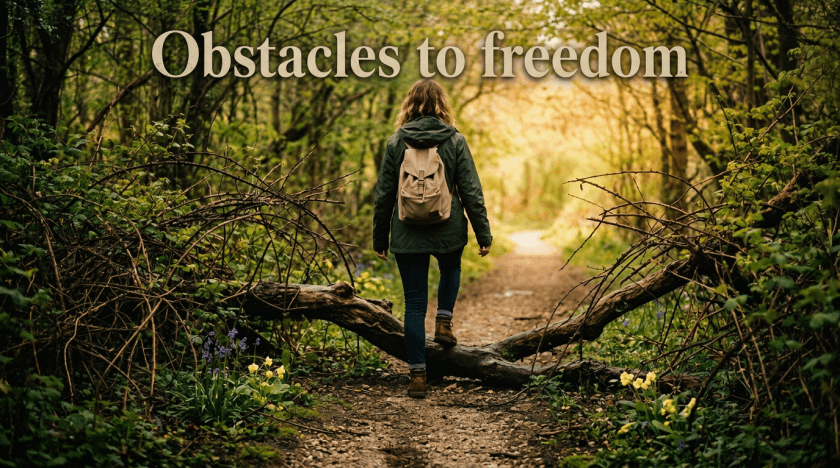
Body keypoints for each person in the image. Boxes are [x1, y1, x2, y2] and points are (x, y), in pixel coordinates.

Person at [373, 79, 493, 399]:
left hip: (406, 230)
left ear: (409, 105)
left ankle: (417, 376)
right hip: (448, 228)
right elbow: (471, 191)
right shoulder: (455, 140)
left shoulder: (396, 142)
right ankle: (444, 321)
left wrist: (379, 238)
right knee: (451, 268)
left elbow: (384, 194)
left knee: (414, 304)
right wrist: (483, 233)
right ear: (443, 104)